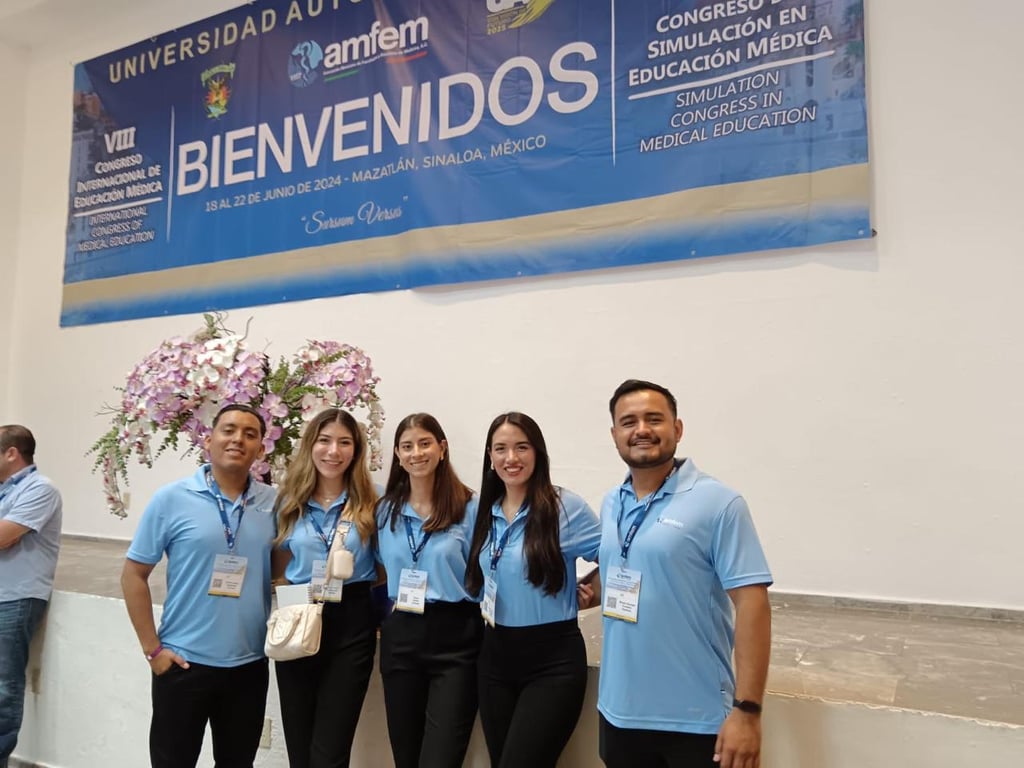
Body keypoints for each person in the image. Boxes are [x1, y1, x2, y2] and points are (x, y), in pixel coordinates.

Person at [598, 380, 772, 768]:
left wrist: (748, 710)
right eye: (628, 421)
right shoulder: (613, 501)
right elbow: (626, 566)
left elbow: (752, 603)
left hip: (696, 719)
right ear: (614, 435)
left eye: (654, 419)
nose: (641, 429)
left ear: (677, 429)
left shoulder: (719, 502)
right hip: (618, 713)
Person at [121, 404, 277, 768]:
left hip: (248, 666)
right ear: (208, 440)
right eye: (229, 430)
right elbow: (133, 574)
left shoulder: (274, 503)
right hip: (183, 664)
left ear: (261, 450)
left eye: (250, 434)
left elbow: (281, 573)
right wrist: (153, 651)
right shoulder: (171, 499)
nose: (238, 439)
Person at [465, 412, 601, 768]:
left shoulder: (564, 508)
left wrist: (593, 591)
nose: (512, 458)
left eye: (521, 447)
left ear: (538, 453)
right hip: (494, 657)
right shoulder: (487, 510)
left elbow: (619, 557)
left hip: (551, 660)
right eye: (501, 449)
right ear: (490, 458)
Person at [271, 408, 379, 768]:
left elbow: (383, 567)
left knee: (331, 749)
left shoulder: (373, 500)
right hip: (297, 615)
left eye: (344, 442)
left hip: (352, 624)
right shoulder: (288, 501)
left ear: (356, 450)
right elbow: (280, 567)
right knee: (300, 746)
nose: (334, 451)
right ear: (310, 445)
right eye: (325, 440)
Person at [375, 413, 481, 768]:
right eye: (407, 446)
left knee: (441, 757)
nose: (416, 453)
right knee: (406, 755)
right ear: (397, 454)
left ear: (442, 448)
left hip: (456, 637)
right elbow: (375, 570)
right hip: (401, 634)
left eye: (424, 443)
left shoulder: (470, 507)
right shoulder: (385, 510)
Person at [0, 426, 62, 768]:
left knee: (4, 688)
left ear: (12, 453)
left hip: (15, 598)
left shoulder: (40, 489)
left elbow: (4, 536)